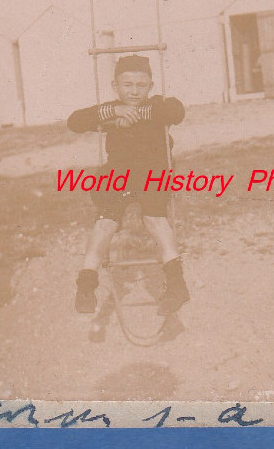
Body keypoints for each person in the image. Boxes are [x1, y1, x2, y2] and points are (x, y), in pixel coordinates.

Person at [68, 54, 189, 316]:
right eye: (127, 85)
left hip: (152, 170)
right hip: (120, 173)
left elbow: (175, 112)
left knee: (155, 219)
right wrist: (114, 112)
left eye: (141, 85)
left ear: (151, 87)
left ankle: (178, 285)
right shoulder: (110, 109)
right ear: (115, 86)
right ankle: (87, 284)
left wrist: (136, 114)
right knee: (105, 222)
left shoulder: (158, 104)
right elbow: (74, 121)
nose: (134, 91)